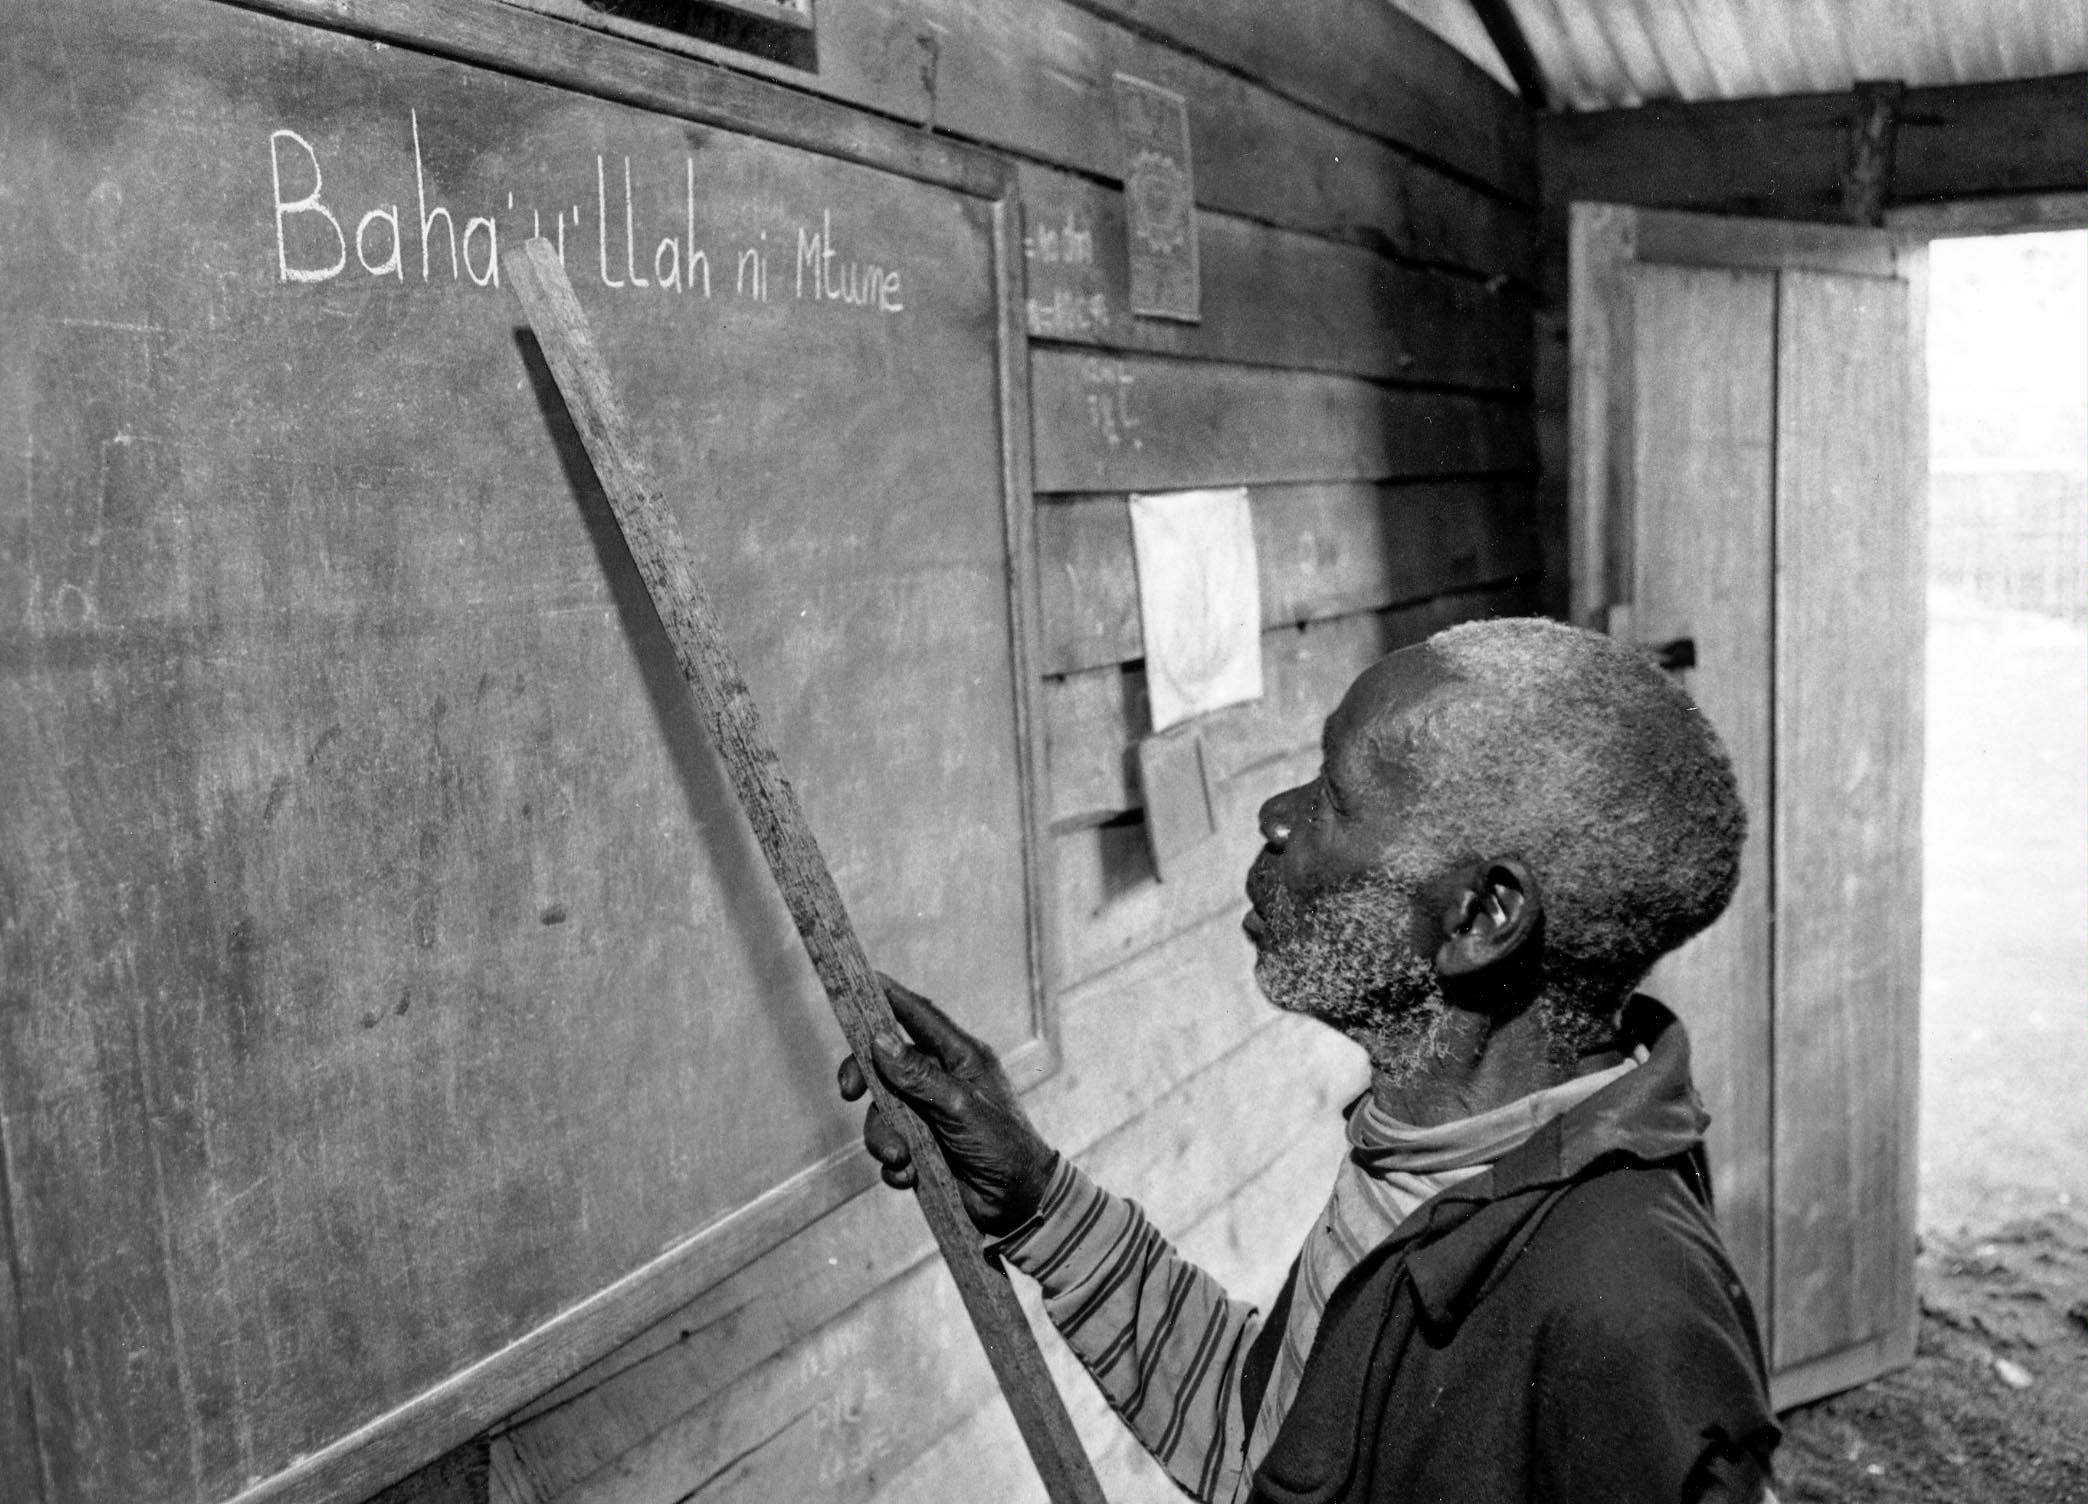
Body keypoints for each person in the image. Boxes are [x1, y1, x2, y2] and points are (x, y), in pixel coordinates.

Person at [840, 617, 1782, 1502]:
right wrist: (1034, 1200)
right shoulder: (1431, 1165)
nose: (1276, 815)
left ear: (1479, 918)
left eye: (1334, 795)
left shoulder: (1624, 1310)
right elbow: (1272, 1449)